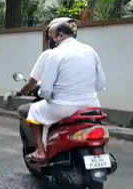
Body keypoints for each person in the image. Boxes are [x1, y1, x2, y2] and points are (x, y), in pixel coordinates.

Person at [24, 19, 106, 162]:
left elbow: (46, 90)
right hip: (91, 106)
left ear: (60, 36)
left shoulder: (55, 54)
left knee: (33, 111)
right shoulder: (90, 50)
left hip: (63, 107)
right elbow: (100, 84)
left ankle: (40, 151)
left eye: (54, 37)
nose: (53, 40)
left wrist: (48, 96)